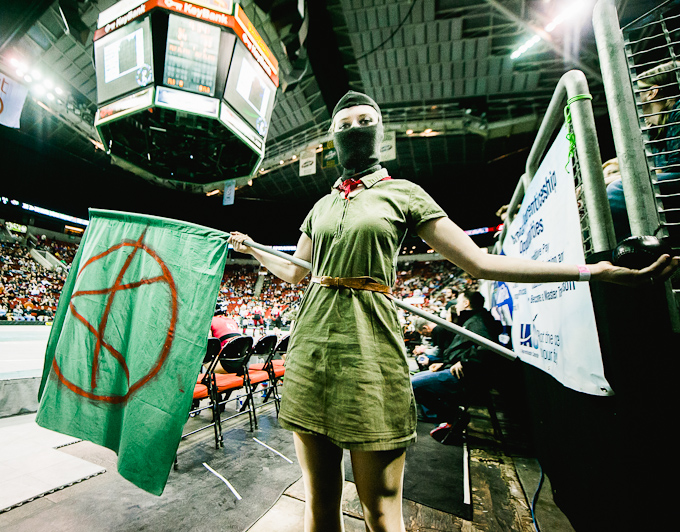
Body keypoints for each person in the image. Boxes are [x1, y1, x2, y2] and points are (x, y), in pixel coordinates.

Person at [229, 90, 679, 532]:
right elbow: (294, 273)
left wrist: (591, 271)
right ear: (331, 138)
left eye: (365, 122)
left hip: (370, 354)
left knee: (381, 513)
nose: (354, 131)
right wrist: (252, 248)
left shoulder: (404, 193)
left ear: (379, 133)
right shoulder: (321, 206)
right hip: (310, 353)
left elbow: (480, 261)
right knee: (319, 506)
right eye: (344, 126)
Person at [608, 61, 680, 241]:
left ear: (652, 93)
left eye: (636, 91)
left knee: (618, 191)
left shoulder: (677, 113)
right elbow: (657, 172)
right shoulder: (656, 131)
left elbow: (674, 172)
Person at [410, 289, 498, 431]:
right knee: (417, 378)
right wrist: (444, 363)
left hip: (465, 376)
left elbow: (487, 348)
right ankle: (450, 416)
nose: (455, 306)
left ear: (466, 303)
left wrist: (464, 363)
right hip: (456, 369)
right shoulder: (473, 320)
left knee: (414, 385)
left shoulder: (477, 321)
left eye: (458, 303)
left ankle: (452, 416)